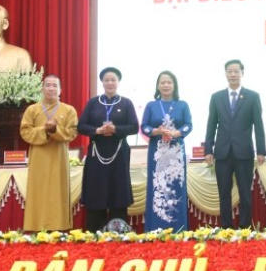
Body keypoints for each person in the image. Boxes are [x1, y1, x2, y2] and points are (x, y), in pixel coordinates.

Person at [205, 59, 266, 228]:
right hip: (222, 153)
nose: (233, 74)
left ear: (242, 73)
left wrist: (261, 150)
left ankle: (245, 228)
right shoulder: (216, 97)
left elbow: (258, 125)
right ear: (225, 74)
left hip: (244, 153)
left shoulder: (252, 96)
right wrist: (208, 150)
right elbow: (211, 125)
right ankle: (226, 228)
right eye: (229, 71)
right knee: (224, 193)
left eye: (236, 71)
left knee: (245, 194)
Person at [78, 67, 139, 232]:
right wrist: (97, 130)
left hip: (119, 153)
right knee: (96, 191)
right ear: (102, 82)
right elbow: (81, 126)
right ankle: (94, 233)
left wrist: (115, 129)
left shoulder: (126, 103)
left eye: (113, 80)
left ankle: (118, 232)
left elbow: (134, 127)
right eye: (107, 80)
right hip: (97, 153)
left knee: (118, 192)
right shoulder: (93, 103)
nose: (110, 83)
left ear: (118, 82)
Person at [19, 75, 79, 231]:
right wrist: (44, 130)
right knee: (38, 191)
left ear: (60, 90)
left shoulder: (69, 110)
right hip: (39, 157)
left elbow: (72, 133)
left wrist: (55, 130)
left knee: (58, 191)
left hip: (58, 157)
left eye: (54, 85)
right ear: (42, 89)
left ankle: (59, 226)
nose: (51, 88)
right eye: (48, 85)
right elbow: (25, 132)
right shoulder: (32, 110)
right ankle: (35, 226)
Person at [141, 71, 192, 232]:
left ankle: (178, 229)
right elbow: (144, 127)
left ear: (174, 85)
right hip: (157, 153)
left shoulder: (182, 105)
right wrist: (156, 131)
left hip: (176, 154)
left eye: (169, 82)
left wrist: (177, 133)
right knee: (158, 187)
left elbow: (188, 125)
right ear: (158, 86)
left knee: (177, 188)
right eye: (162, 82)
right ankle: (155, 229)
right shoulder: (151, 105)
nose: (166, 85)